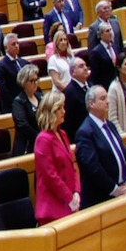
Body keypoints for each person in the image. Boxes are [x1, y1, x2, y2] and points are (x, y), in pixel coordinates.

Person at [75, 86, 126, 209]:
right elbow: (93, 168)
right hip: (101, 198)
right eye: (103, 98)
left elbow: (123, 155)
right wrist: (114, 189)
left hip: (123, 190)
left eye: (107, 98)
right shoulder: (85, 132)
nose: (107, 101)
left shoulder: (110, 125)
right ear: (91, 103)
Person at [34, 93, 81, 224]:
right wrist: (69, 198)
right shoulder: (43, 139)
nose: (64, 112)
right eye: (60, 108)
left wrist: (76, 192)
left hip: (70, 202)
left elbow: (72, 167)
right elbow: (50, 175)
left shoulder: (63, 134)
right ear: (51, 111)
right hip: (53, 206)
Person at [10, 65, 42, 156]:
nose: (35, 83)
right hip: (26, 146)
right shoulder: (18, 102)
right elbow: (23, 125)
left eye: (36, 80)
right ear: (24, 82)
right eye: (32, 81)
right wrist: (39, 137)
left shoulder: (40, 97)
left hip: (42, 142)